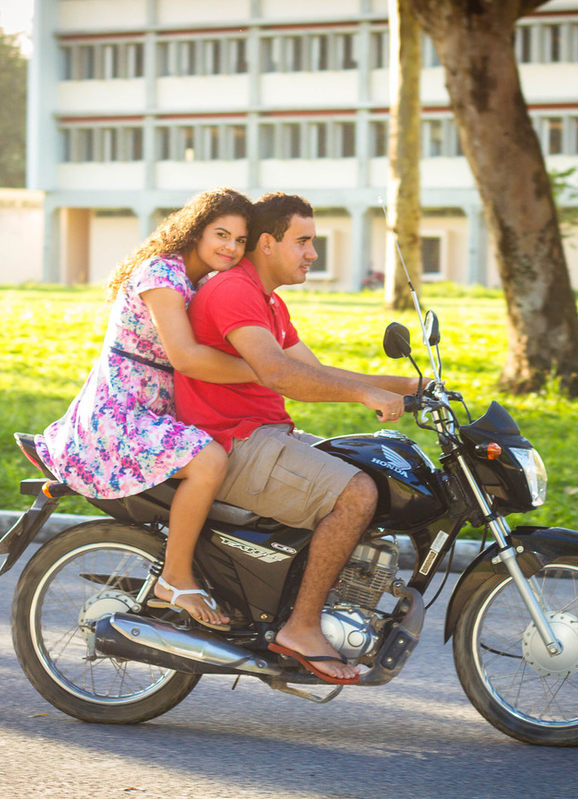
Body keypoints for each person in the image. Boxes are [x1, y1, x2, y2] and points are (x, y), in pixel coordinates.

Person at [175, 192, 420, 684]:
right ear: (267, 244)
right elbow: (279, 375)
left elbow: (312, 372)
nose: (312, 253)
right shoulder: (233, 291)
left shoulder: (268, 301)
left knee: (373, 467)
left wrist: (412, 387)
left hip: (263, 433)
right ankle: (302, 627)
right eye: (303, 241)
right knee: (356, 494)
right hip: (234, 441)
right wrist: (364, 395)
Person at [36, 187, 258, 630]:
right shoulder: (162, 274)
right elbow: (186, 358)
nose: (230, 248)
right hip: (118, 415)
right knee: (209, 461)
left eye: (239, 241)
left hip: (156, 410)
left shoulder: (201, 282)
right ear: (195, 231)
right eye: (221, 234)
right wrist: (268, 371)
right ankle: (174, 578)